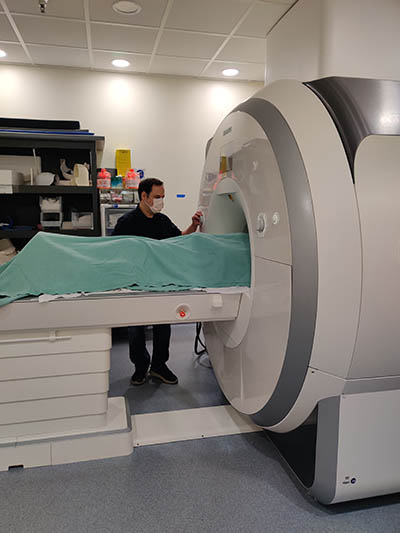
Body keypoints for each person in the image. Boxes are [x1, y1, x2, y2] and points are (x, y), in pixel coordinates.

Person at [112, 177, 202, 386]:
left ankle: (159, 366)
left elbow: (178, 239)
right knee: (136, 327)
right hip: (136, 282)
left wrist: (193, 226)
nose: (161, 201)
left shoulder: (162, 220)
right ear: (143, 196)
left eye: (163, 197)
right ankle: (141, 367)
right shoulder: (127, 222)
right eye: (157, 197)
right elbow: (114, 251)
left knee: (163, 323)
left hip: (161, 281)